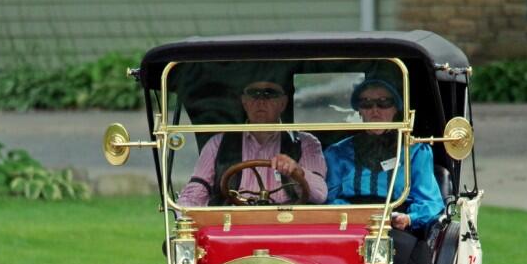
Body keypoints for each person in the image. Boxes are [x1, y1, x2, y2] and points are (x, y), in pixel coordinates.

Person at [178, 79, 327, 206]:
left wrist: (297, 171)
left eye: (270, 94)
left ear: (283, 103)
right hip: (233, 224)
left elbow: (320, 195)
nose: (261, 101)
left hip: (286, 223)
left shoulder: (305, 143)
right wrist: (185, 213)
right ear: (244, 102)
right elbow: (197, 188)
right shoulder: (218, 143)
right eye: (253, 94)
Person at [324, 78, 444, 231]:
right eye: (366, 103)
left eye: (384, 103)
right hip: (349, 227)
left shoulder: (414, 151)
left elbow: (431, 202)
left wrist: (409, 218)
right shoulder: (338, 152)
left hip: (397, 228)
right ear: (359, 110)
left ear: (396, 108)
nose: (375, 110)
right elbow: (328, 200)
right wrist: (354, 215)